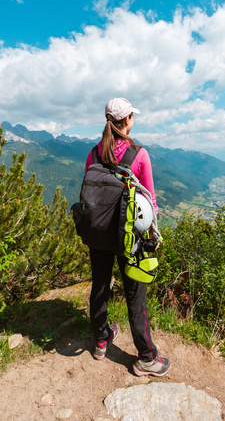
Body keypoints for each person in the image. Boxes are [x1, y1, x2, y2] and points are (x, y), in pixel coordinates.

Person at [85, 97, 170, 377]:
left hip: (98, 233)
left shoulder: (93, 153)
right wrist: (154, 232)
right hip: (128, 238)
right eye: (132, 116)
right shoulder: (139, 154)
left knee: (99, 287)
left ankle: (101, 340)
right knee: (135, 296)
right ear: (127, 121)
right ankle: (146, 357)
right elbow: (150, 200)